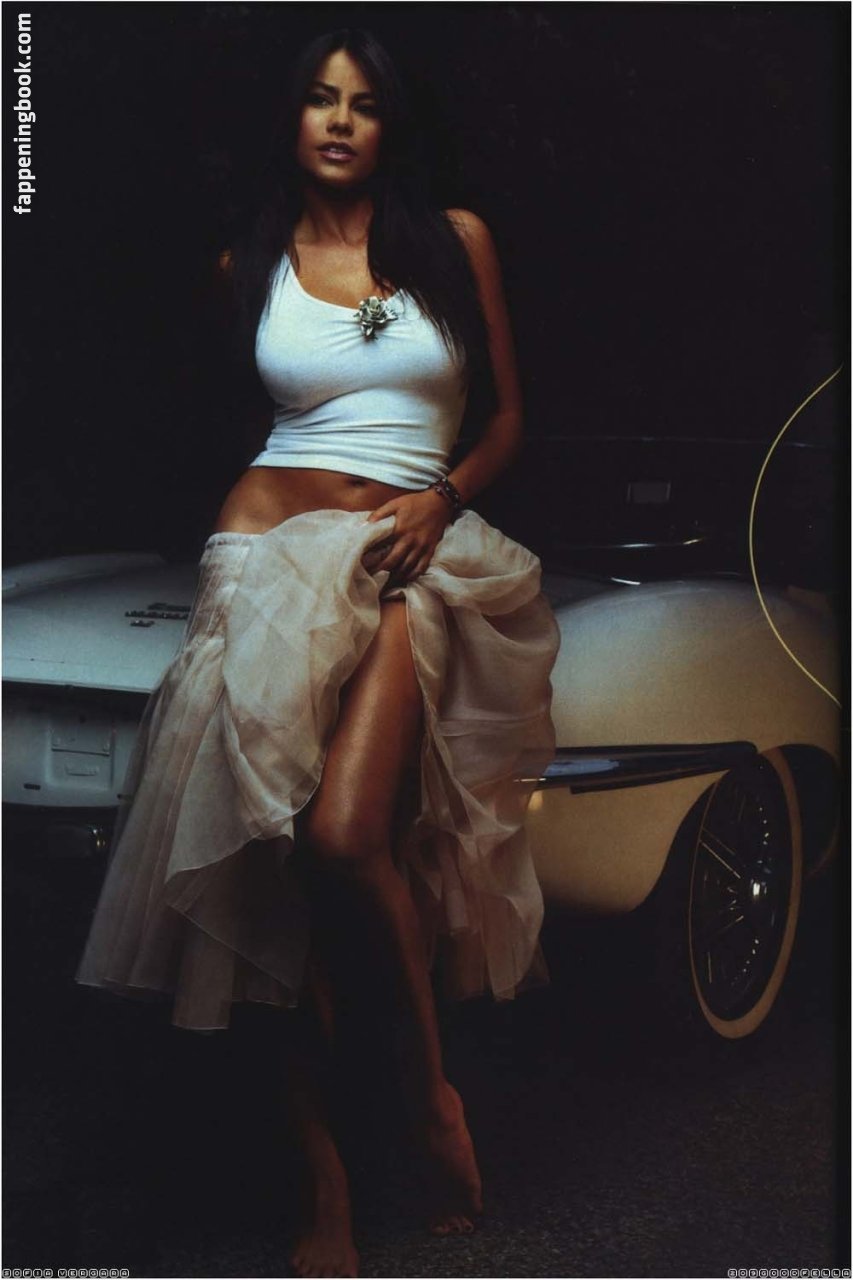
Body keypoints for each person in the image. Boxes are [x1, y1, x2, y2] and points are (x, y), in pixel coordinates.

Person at [77, 27, 559, 1278]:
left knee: (347, 835)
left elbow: (508, 415)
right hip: (261, 563)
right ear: (290, 120)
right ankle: (324, 1179)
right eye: (318, 100)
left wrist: (441, 497)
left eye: (363, 104)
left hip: (399, 552)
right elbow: (244, 423)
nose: (339, 121)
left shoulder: (452, 241)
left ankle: (429, 1098)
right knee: (272, 865)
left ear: (391, 124)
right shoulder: (246, 262)